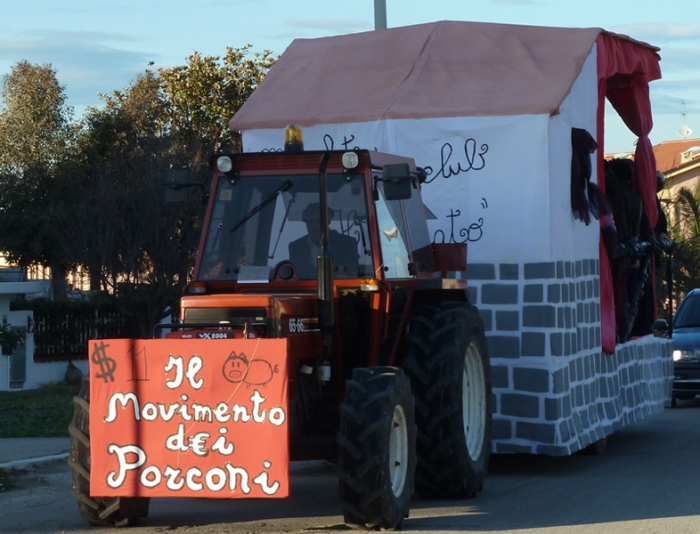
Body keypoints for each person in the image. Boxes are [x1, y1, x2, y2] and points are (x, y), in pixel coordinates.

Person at [288, 202, 360, 279]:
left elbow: (351, 271)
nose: (314, 226)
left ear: (328, 222)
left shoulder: (347, 244)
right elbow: (296, 275)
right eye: (309, 222)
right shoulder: (296, 247)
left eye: (318, 221)